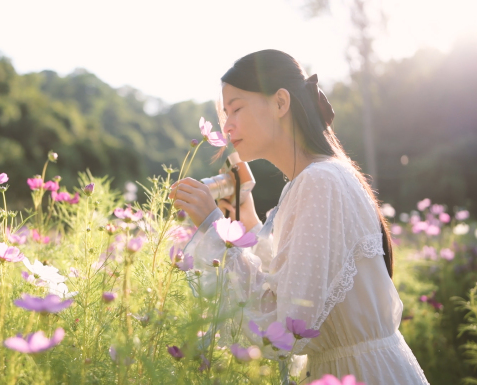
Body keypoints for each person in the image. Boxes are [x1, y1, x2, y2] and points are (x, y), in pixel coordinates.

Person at [169, 50, 429, 384]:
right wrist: (246, 220)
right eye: (223, 114)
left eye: (236, 108)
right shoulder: (314, 178)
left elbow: (286, 325)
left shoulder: (318, 181)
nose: (227, 125)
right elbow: (290, 281)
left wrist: (213, 229)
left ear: (280, 103)